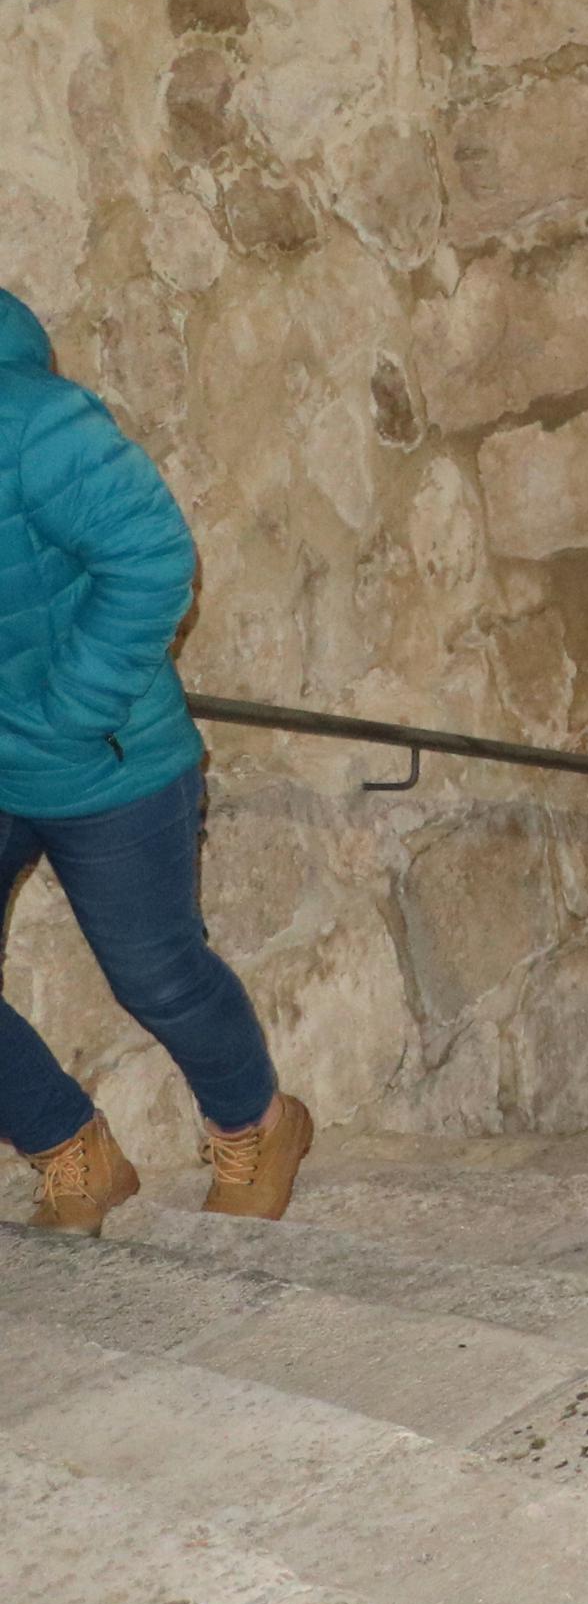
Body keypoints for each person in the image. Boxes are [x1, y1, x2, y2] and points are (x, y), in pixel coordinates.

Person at [0, 287, 307, 1233]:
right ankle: (69, 1145)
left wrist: (68, 713)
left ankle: (258, 1122)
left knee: (157, 973)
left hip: (106, 759)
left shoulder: (34, 423)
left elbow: (152, 555)